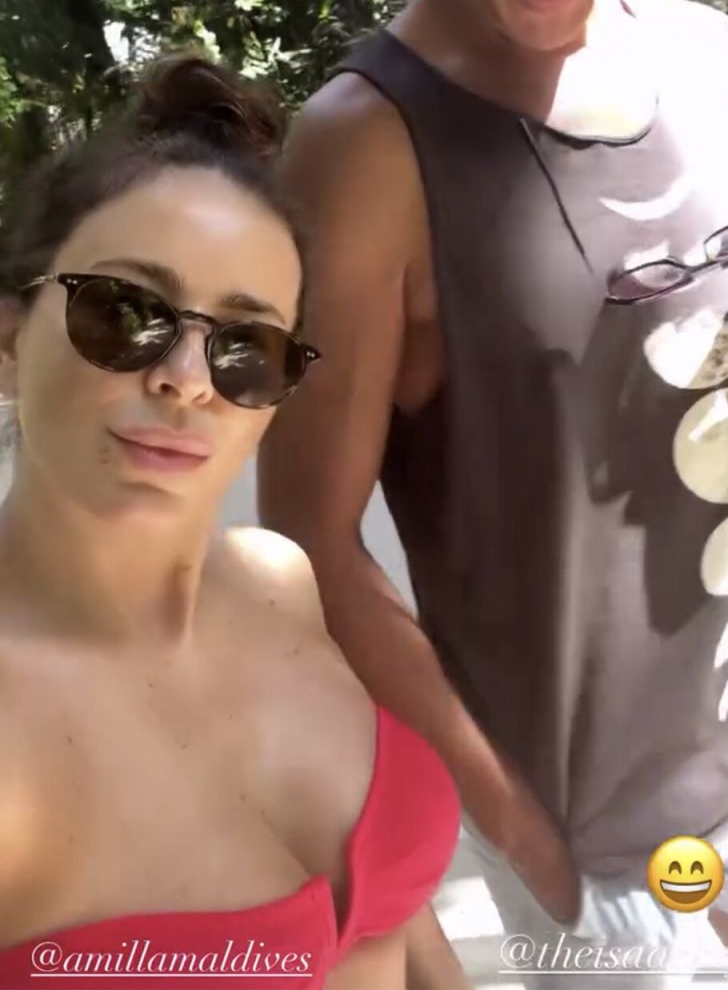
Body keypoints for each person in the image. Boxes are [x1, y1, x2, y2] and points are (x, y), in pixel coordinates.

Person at [258, 0, 728, 987]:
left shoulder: (708, 53)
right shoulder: (365, 145)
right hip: (596, 833)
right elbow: (306, 543)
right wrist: (523, 836)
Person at [0, 54, 464, 990]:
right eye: (125, 313)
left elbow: (396, 924)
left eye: (246, 345)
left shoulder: (278, 582)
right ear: (10, 343)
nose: (188, 378)